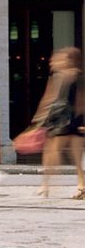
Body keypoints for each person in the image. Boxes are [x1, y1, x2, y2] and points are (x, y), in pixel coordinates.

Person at [32, 47, 85, 199]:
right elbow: (82, 100)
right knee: (77, 157)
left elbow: (49, 98)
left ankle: (46, 185)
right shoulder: (79, 76)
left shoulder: (58, 77)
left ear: (68, 60)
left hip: (60, 118)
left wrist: (39, 117)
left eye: (59, 58)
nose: (53, 62)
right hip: (76, 119)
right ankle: (81, 186)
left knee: (51, 153)